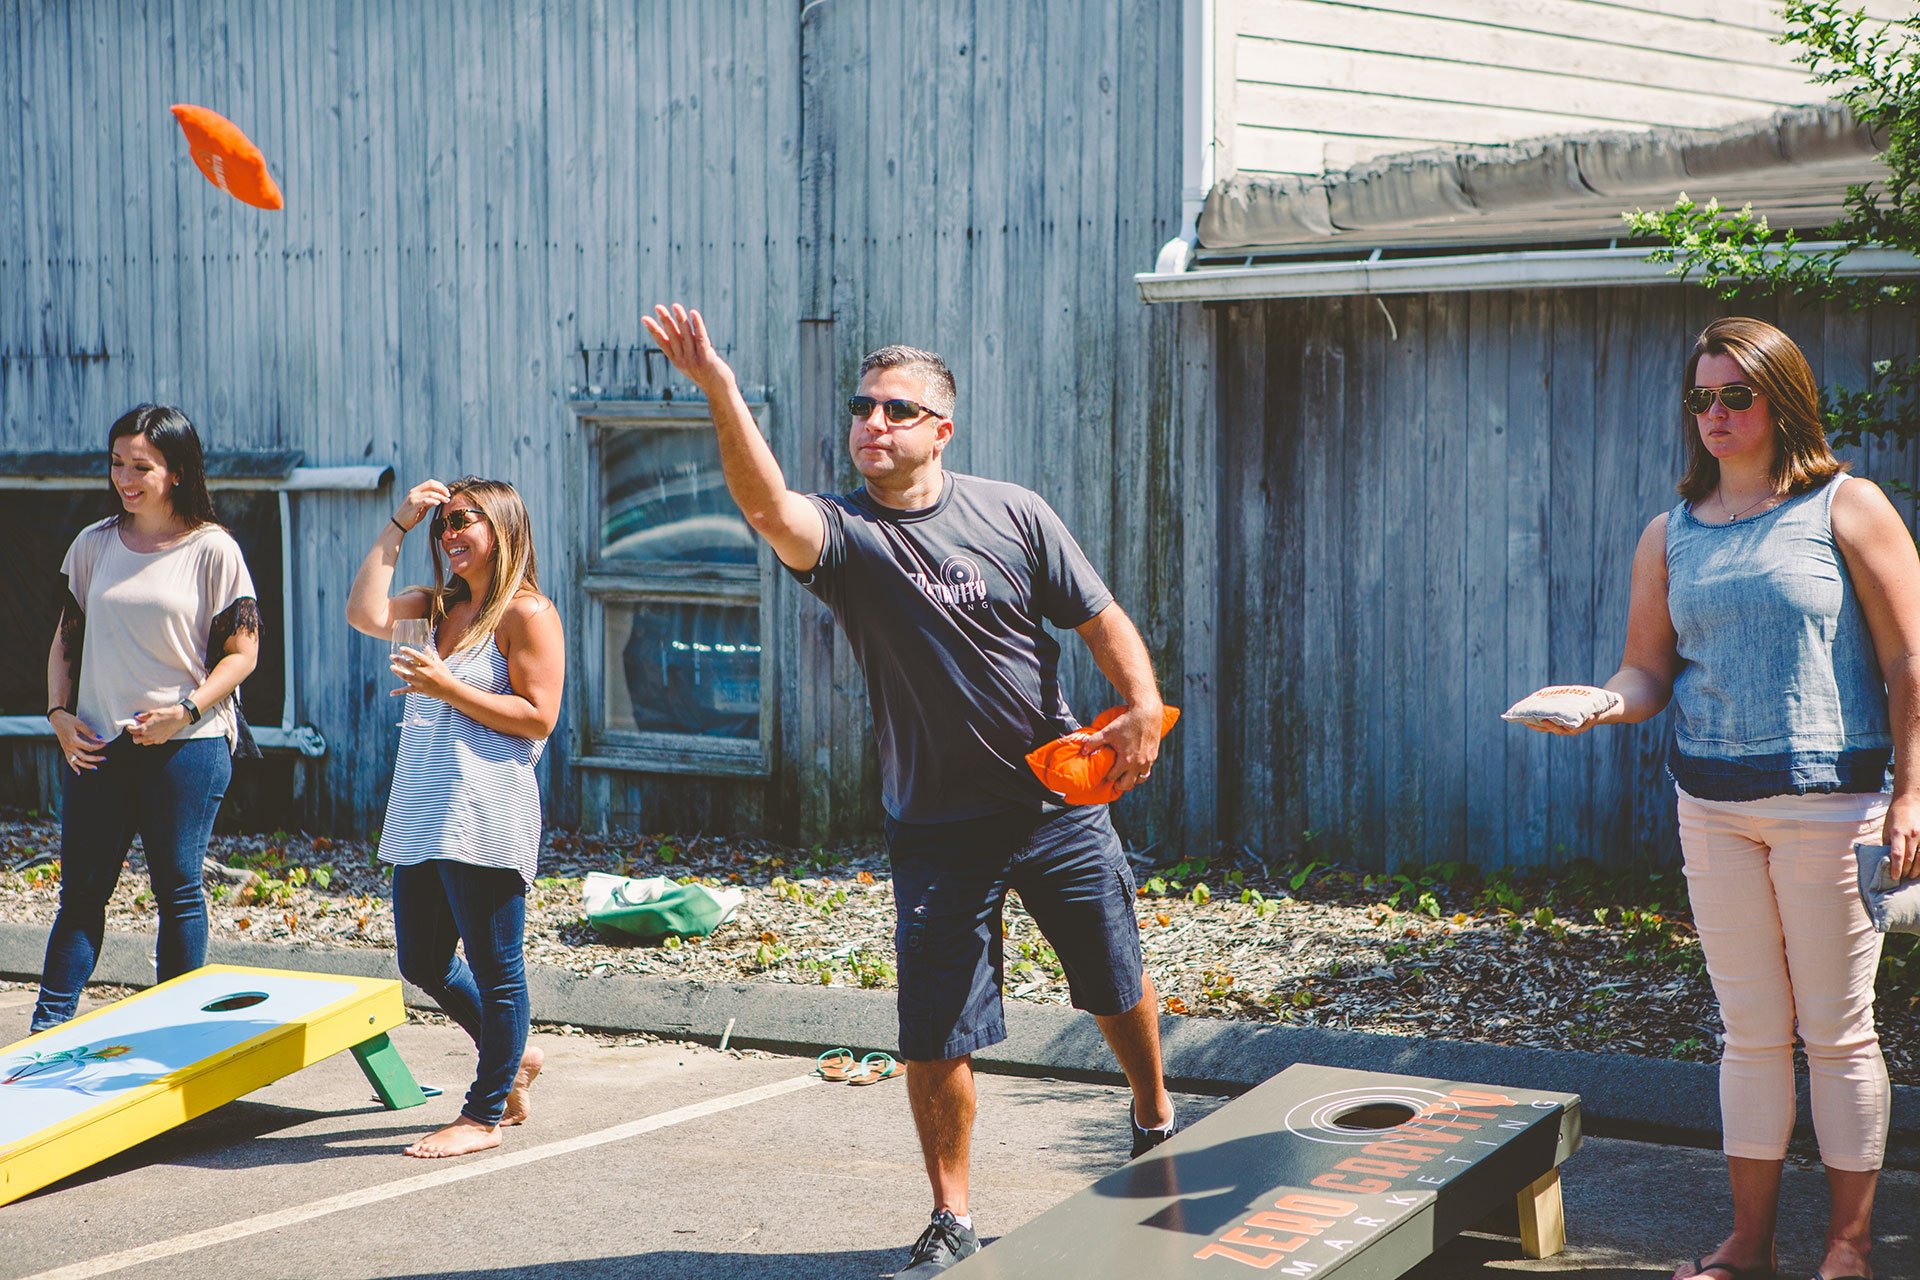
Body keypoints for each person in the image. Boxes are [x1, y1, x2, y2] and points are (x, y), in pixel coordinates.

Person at [644, 303, 1177, 1277]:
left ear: (941, 428)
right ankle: (952, 1214)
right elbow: (770, 509)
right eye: (862, 406)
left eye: (897, 407)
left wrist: (1140, 700)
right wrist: (719, 384)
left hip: (1057, 804)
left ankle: (1152, 1111)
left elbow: (1100, 616)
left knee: (1113, 977)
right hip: (936, 826)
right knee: (935, 1028)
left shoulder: (1014, 513)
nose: (873, 421)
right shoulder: (846, 537)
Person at [1512, 317, 1920, 1280]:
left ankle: (1849, 1247)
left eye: (1737, 395)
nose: (1717, 414)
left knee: (1837, 1030)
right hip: (1713, 807)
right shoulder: (1672, 532)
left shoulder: (1846, 506)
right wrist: (1604, 702)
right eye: (1702, 397)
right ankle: (1748, 1243)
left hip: (1832, 805)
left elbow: (1909, 662)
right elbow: (1650, 670)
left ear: (1782, 401)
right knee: (1749, 1032)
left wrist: (1914, 795)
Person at [346, 476, 564, 1159]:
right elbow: (362, 611)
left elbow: (540, 717)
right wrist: (398, 523)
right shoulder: (434, 607)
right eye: (444, 523)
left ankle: (484, 1113)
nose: (450, 533)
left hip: (483, 811)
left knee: (498, 971)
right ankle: (515, 1059)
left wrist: (446, 684)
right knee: (423, 962)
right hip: (420, 809)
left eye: (463, 519)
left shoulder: (526, 614)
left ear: (502, 526)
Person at [34, 404, 261, 1033]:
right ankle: (44, 1031)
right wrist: (58, 712)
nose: (125, 479)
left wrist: (184, 710)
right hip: (98, 745)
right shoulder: (93, 544)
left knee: (178, 891)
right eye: (116, 464)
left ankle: (178, 1036)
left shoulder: (213, 549)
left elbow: (243, 654)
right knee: (80, 893)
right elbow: (65, 638)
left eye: (141, 467)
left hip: (187, 746)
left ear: (178, 472)